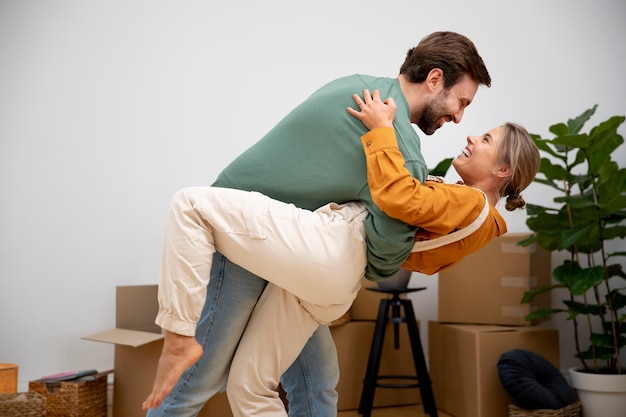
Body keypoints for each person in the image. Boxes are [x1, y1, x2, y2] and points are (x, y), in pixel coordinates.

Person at [145, 31, 492, 417]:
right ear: (434, 79)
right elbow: (387, 255)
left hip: (283, 250)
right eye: (461, 102)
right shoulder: (399, 147)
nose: (459, 118)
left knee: (316, 380)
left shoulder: (357, 85)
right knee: (199, 380)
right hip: (242, 242)